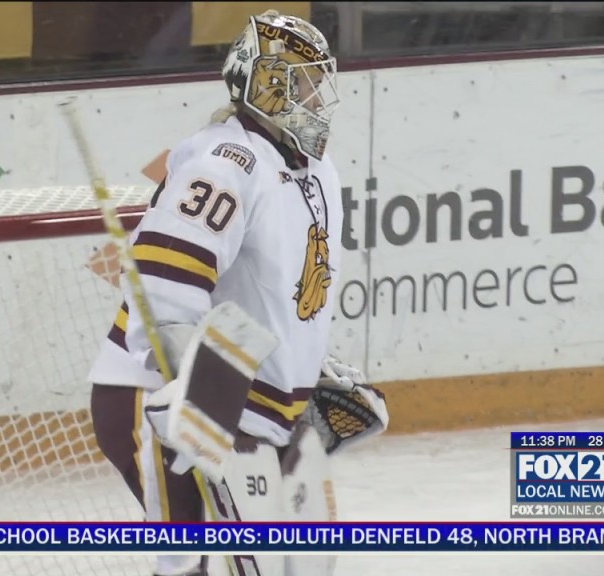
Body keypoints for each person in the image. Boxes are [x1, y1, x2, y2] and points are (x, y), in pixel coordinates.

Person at [87, 10, 387, 576]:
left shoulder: (319, 171)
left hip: (244, 408)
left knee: (291, 564)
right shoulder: (224, 162)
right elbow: (164, 278)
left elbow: (283, 297)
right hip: (163, 399)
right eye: (304, 84)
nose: (318, 99)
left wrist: (303, 373)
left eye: (320, 84)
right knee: (193, 565)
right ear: (267, 86)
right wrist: (197, 401)